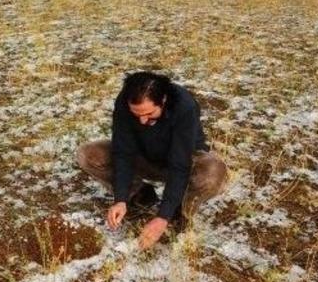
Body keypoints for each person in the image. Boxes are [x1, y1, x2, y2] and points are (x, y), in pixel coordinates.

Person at [75, 71, 228, 250]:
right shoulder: (125, 102)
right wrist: (121, 198)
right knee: (88, 154)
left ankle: (178, 213)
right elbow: (122, 152)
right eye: (137, 114)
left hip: (184, 163)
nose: (142, 120)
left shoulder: (184, 106)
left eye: (149, 113)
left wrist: (163, 216)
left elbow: (180, 165)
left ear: (163, 101)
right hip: (145, 158)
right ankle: (140, 195)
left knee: (213, 172)